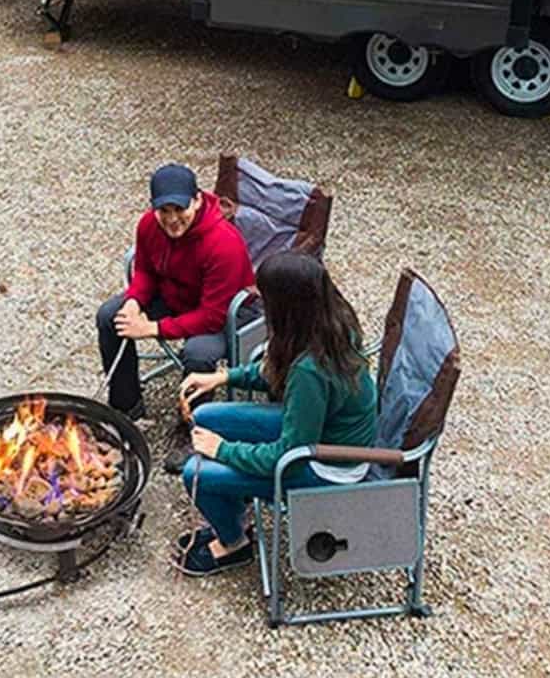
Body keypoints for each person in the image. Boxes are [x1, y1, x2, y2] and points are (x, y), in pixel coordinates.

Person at [171, 250, 377, 577]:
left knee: (194, 473)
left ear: (287, 306)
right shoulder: (328, 321)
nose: (261, 305)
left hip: (326, 464)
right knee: (208, 415)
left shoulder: (312, 369)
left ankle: (233, 544)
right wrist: (225, 376)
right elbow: (276, 369)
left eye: (266, 298)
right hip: (318, 431)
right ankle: (233, 508)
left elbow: (289, 455)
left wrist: (223, 450)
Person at [96, 163, 255, 474]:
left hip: (224, 316)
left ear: (196, 200)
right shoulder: (148, 226)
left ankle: (193, 429)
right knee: (109, 316)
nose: (171, 219)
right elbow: (144, 271)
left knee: (197, 352)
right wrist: (133, 302)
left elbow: (211, 317)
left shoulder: (223, 243)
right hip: (175, 299)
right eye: (163, 210)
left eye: (178, 209)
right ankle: (126, 408)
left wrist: (153, 328)